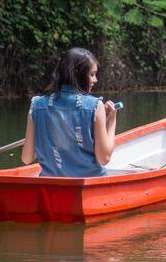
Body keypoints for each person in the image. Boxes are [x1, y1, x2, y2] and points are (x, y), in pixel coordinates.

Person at [22, 48, 118, 176]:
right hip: (88, 185)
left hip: (52, 186)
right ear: (78, 74)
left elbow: (26, 158)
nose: (95, 80)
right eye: (92, 74)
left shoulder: (36, 105)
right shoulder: (95, 106)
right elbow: (104, 158)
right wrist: (111, 121)